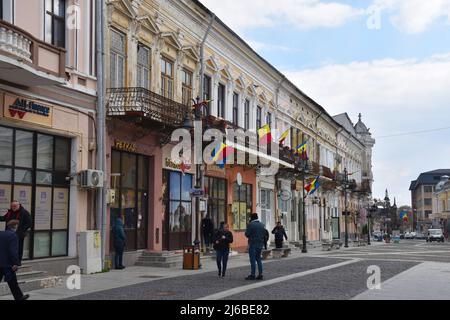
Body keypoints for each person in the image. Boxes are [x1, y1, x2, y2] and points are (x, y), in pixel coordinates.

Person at [0, 220, 29, 300]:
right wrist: (16, 263)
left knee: (12, 282)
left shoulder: (1, 233)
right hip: (8, 264)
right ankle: (19, 297)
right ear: (15, 226)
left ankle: (19, 297)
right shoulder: (13, 235)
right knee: (13, 282)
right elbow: (13, 251)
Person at [0, 201, 32, 265]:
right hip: (9, 234)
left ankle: (17, 262)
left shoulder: (24, 212)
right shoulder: (10, 212)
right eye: (12, 206)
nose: (13, 207)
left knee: (18, 248)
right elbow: (4, 218)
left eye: (15, 206)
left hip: (19, 234)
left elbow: (29, 223)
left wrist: (21, 231)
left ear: (19, 205)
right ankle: (10, 260)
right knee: (9, 247)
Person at [245, 213, 266, 280]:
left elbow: (247, 234)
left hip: (253, 244)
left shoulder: (251, 224)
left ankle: (253, 274)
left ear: (251, 218)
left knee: (253, 260)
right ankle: (260, 274)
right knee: (259, 259)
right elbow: (264, 234)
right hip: (260, 244)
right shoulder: (262, 225)